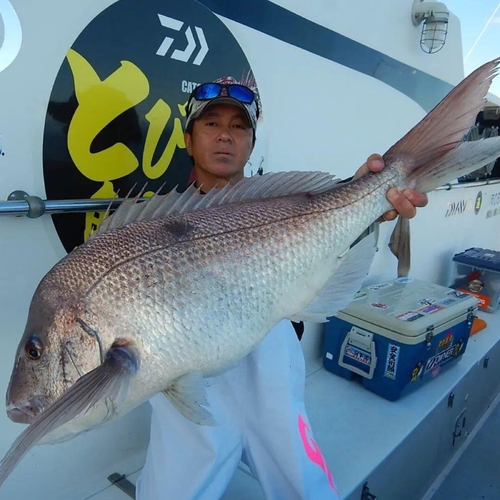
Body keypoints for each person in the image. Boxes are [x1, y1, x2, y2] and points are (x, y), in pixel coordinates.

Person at [135, 77, 427, 500]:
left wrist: (369, 200)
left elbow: (328, 238)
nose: (224, 136)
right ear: (188, 137)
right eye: (210, 123)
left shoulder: (285, 200)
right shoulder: (151, 218)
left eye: (239, 127)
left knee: (302, 483)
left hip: (268, 357)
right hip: (186, 367)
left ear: (251, 142)